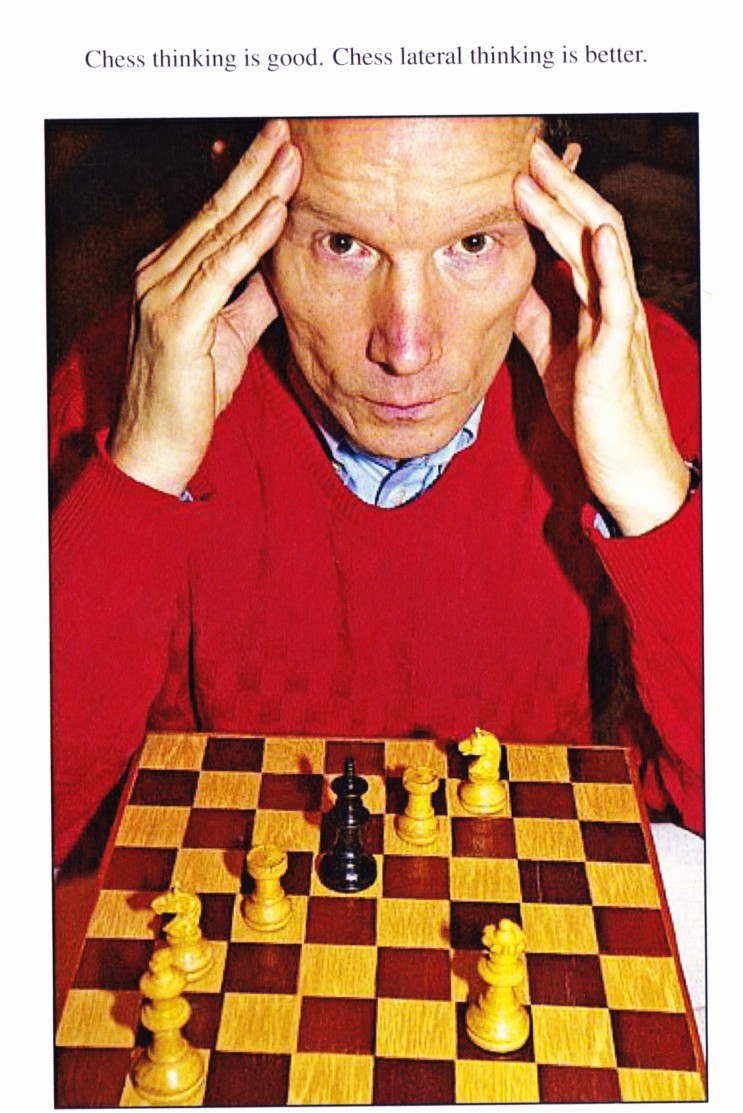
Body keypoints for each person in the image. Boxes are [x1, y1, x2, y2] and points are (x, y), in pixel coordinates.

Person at [50, 116, 701, 868]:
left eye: (473, 244)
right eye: (341, 244)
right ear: (240, 192)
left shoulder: (635, 374)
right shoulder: (116, 382)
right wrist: (141, 475)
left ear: (560, 196)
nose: (407, 348)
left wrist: (653, 503)